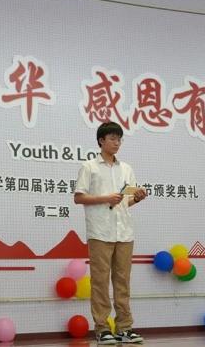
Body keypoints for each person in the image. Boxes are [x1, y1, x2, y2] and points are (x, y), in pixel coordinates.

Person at [74, 122, 147, 345]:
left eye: (119, 139)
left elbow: (125, 202)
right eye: (112, 138)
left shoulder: (126, 169)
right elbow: (78, 197)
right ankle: (103, 329)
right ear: (101, 141)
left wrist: (137, 198)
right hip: (100, 231)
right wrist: (106, 198)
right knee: (100, 281)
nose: (117, 143)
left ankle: (125, 327)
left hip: (124, 232)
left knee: (122, 281)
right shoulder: (89, 167)